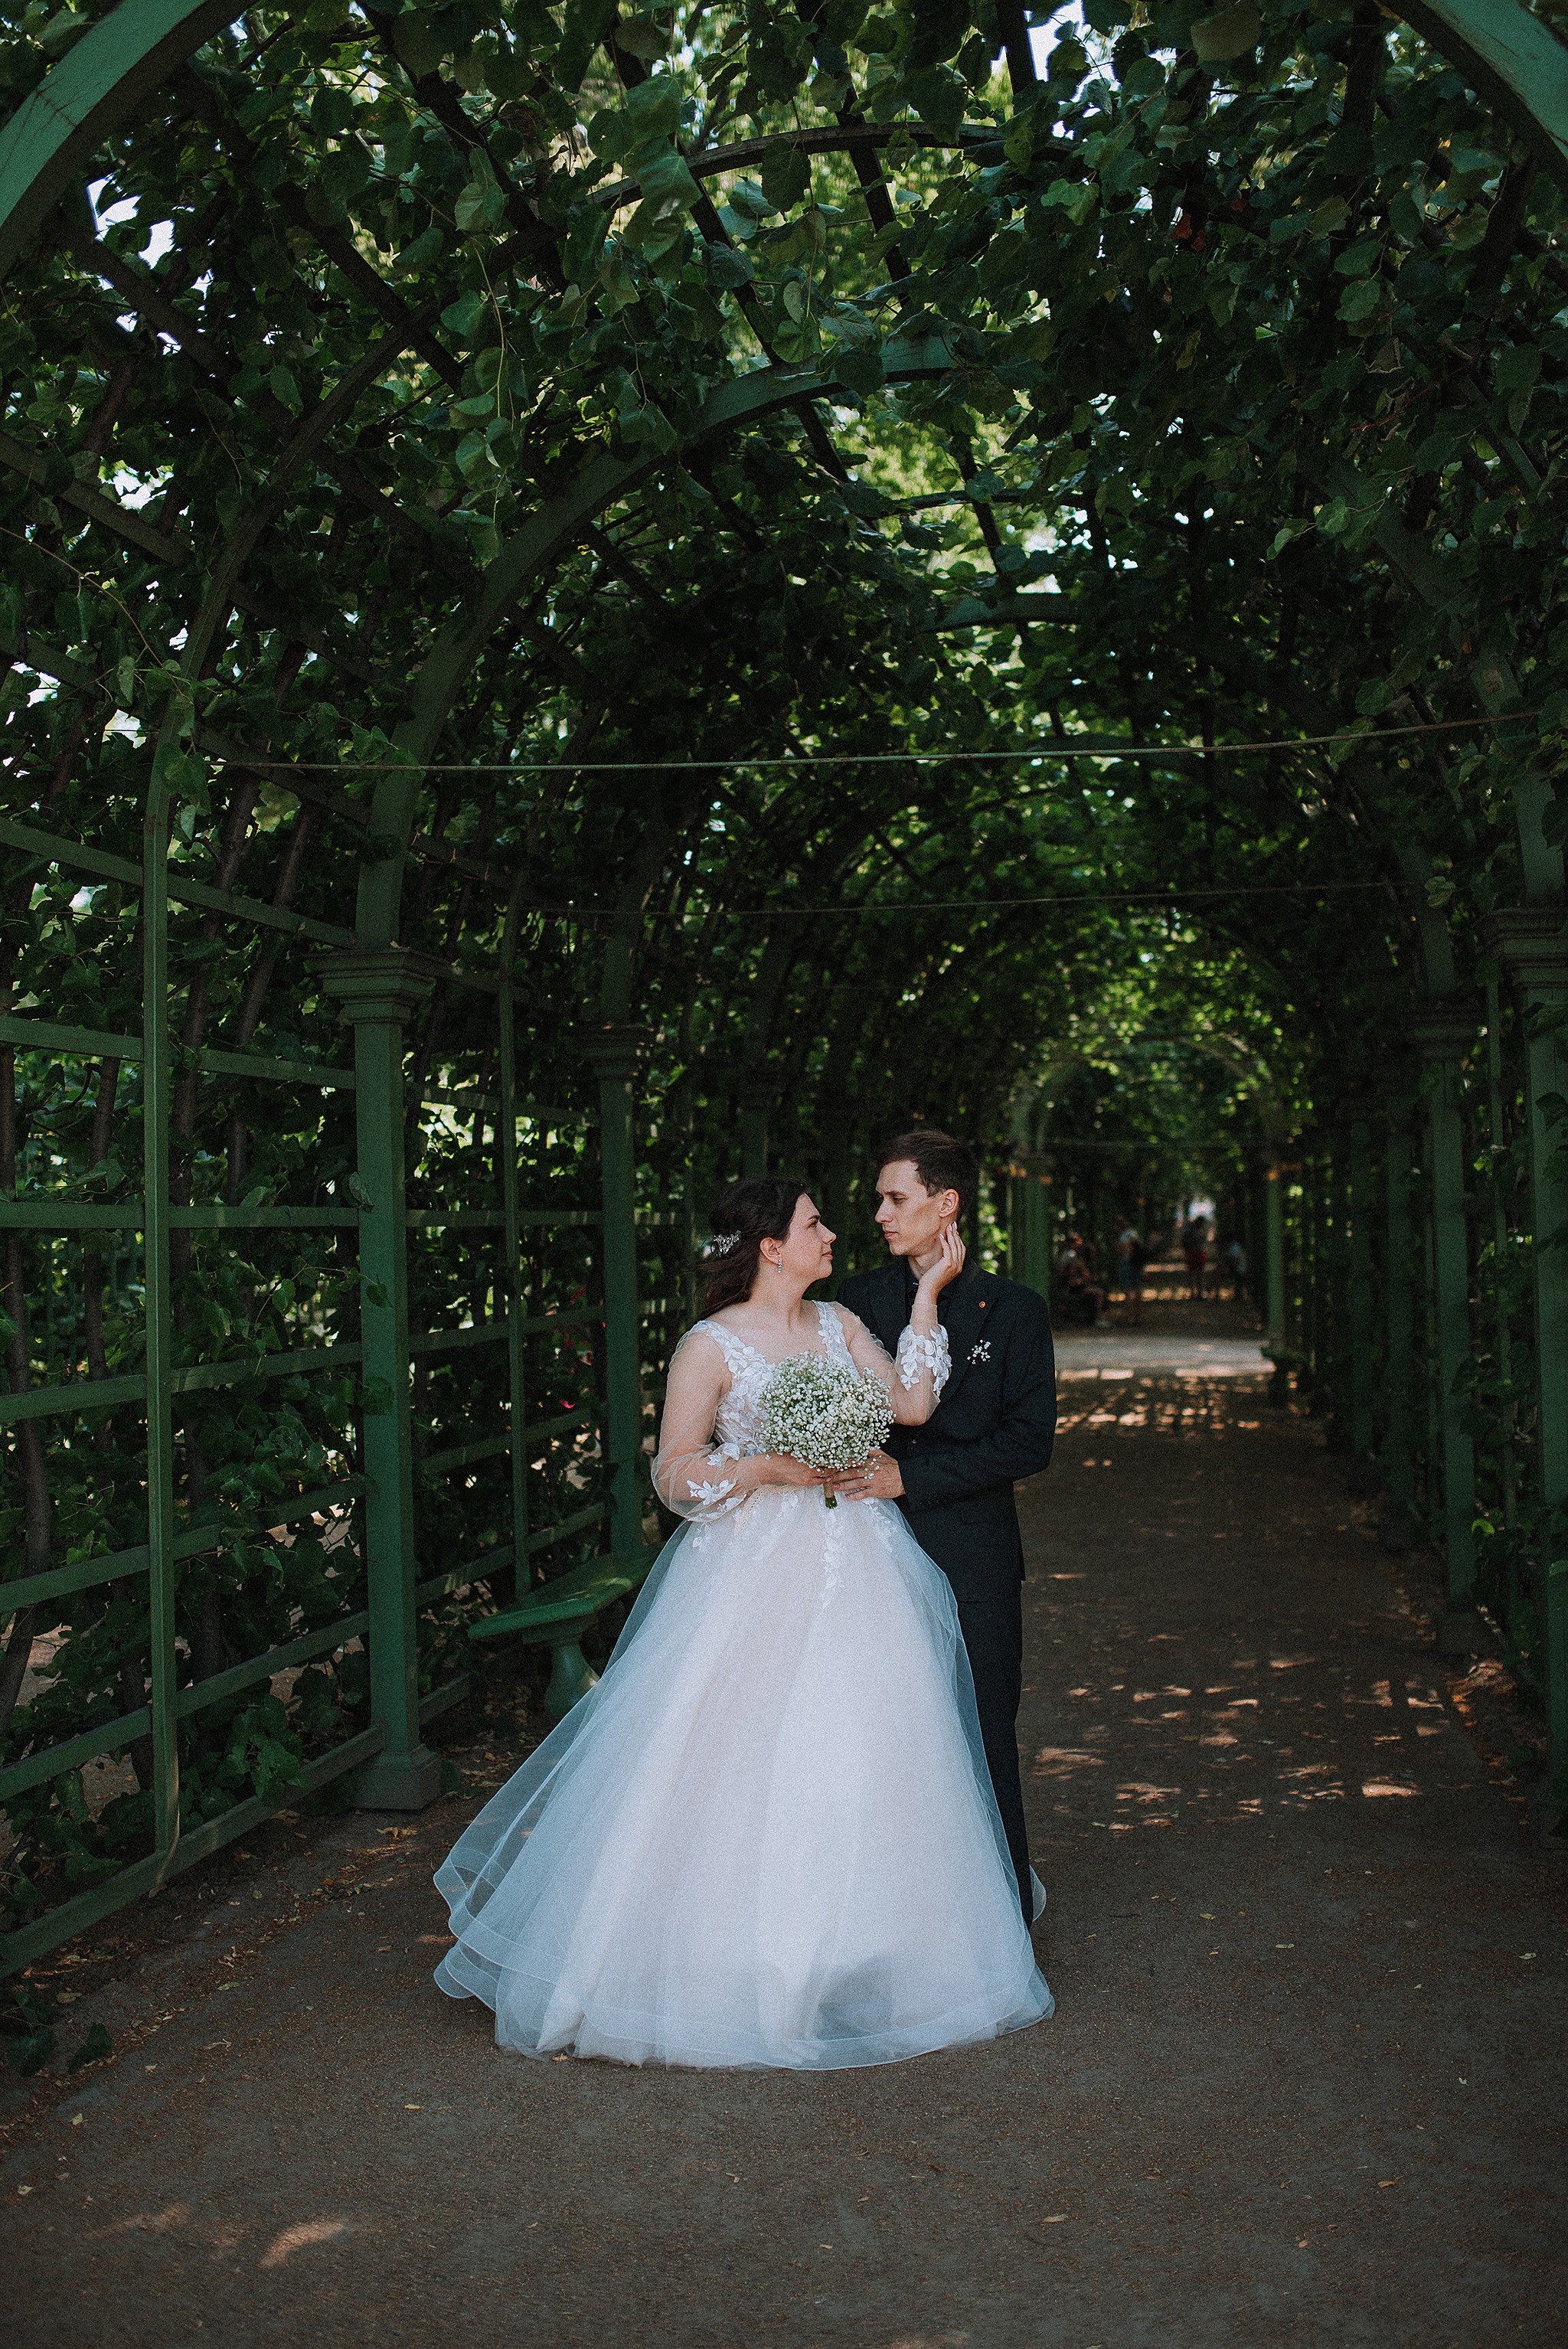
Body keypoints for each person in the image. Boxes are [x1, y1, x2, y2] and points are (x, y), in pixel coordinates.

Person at [433, 1174, 1053, 2070]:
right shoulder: (708, 1344)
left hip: (860, 1561)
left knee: (873, 1746)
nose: (831, 1233)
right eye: (813, 1222)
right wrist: (762, 1465)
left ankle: (867, 1949)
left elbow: (910, 1407)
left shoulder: (839, 1323)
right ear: (770, 1245)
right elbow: (673, 1474)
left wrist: (926, 1298)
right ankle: (728, 1959)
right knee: (737, 1750)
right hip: (751, 1567)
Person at [838, 1129, 1058, 1930]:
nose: (880, 1214)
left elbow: (1028, 1441)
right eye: (878, 1199)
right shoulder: (852, 1302)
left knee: (985, 1725)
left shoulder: (1017, 1309)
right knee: (877, 1732)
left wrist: (914, 1477)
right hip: (867, 1547)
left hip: (974, 1552)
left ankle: (1001, 1916)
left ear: (946, 1202)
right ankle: (896, 1920)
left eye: (895, 1198)